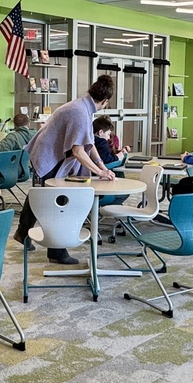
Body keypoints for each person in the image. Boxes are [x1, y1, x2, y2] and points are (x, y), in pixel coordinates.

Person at [14, 74, 117, 264]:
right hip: (48, 155)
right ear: (105, 101)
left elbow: (89, 142)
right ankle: (56, 252)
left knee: (44, 194)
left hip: (50, 153)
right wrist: (100, 172)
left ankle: (23, 232)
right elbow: (78, 151)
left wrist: (101, 166)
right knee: (59, 201)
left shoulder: (83, 107)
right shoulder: (80, 111)